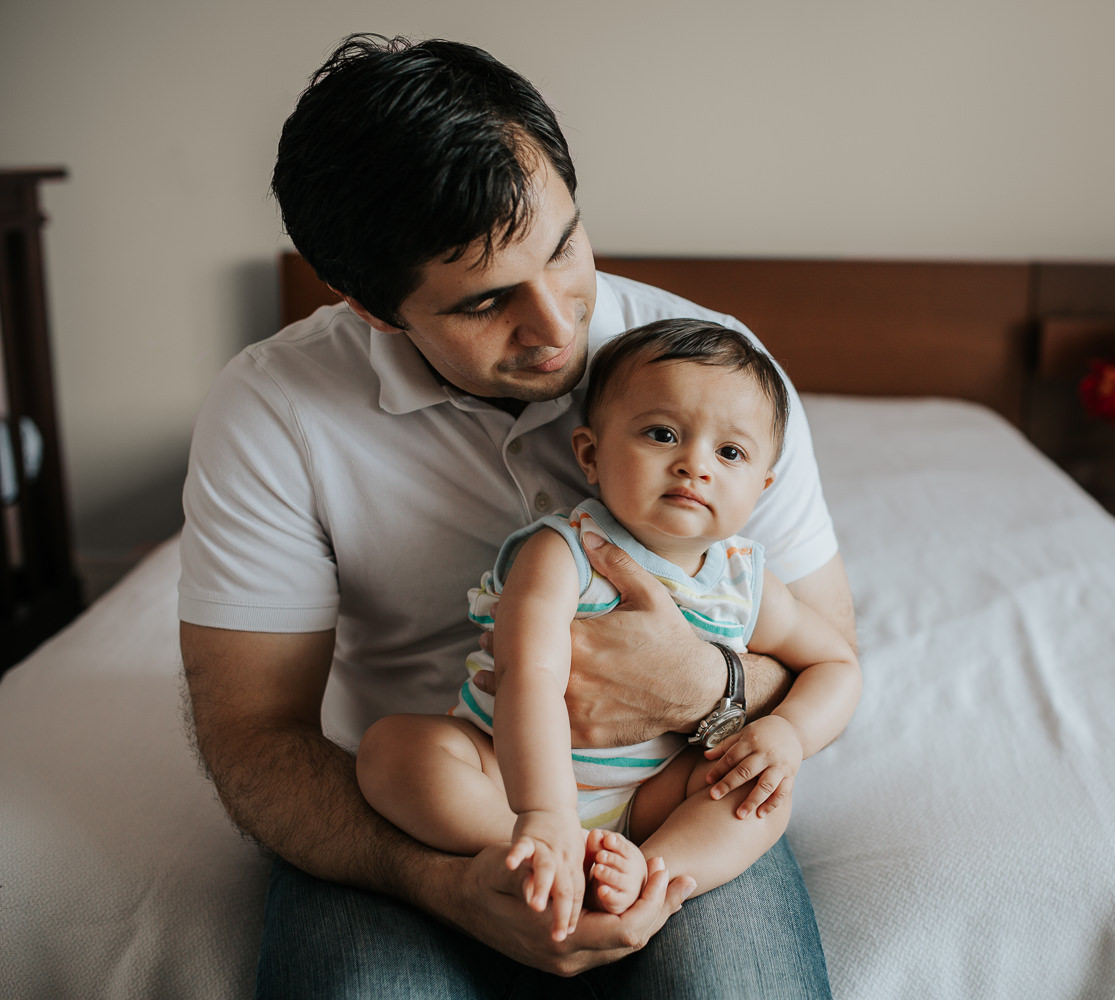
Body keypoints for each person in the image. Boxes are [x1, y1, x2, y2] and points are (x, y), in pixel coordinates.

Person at [177, 33, 855, 998]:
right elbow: (252, 732)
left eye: (565, 246)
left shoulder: (717, 380)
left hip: (670, 780)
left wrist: (710, 692)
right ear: (376, 308)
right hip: (427, 808)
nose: (556, 323)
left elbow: (827, 648)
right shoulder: (274, 412)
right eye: (489, 301)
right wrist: (448, 881)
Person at [356, 319, 862, 943]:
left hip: (652, 793)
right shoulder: (566, 551)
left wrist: (789, 731)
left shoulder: (747, 582)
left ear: (761, 486)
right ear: (591, 455)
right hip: (505, 783)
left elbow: (836, 666)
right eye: (662, 434)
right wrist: (544, 815)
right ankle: (537, 849)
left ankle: (653, 874)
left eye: (729, 452)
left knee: (759, 797)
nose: (693, 465)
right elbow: (528, 676)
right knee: (394, 751)